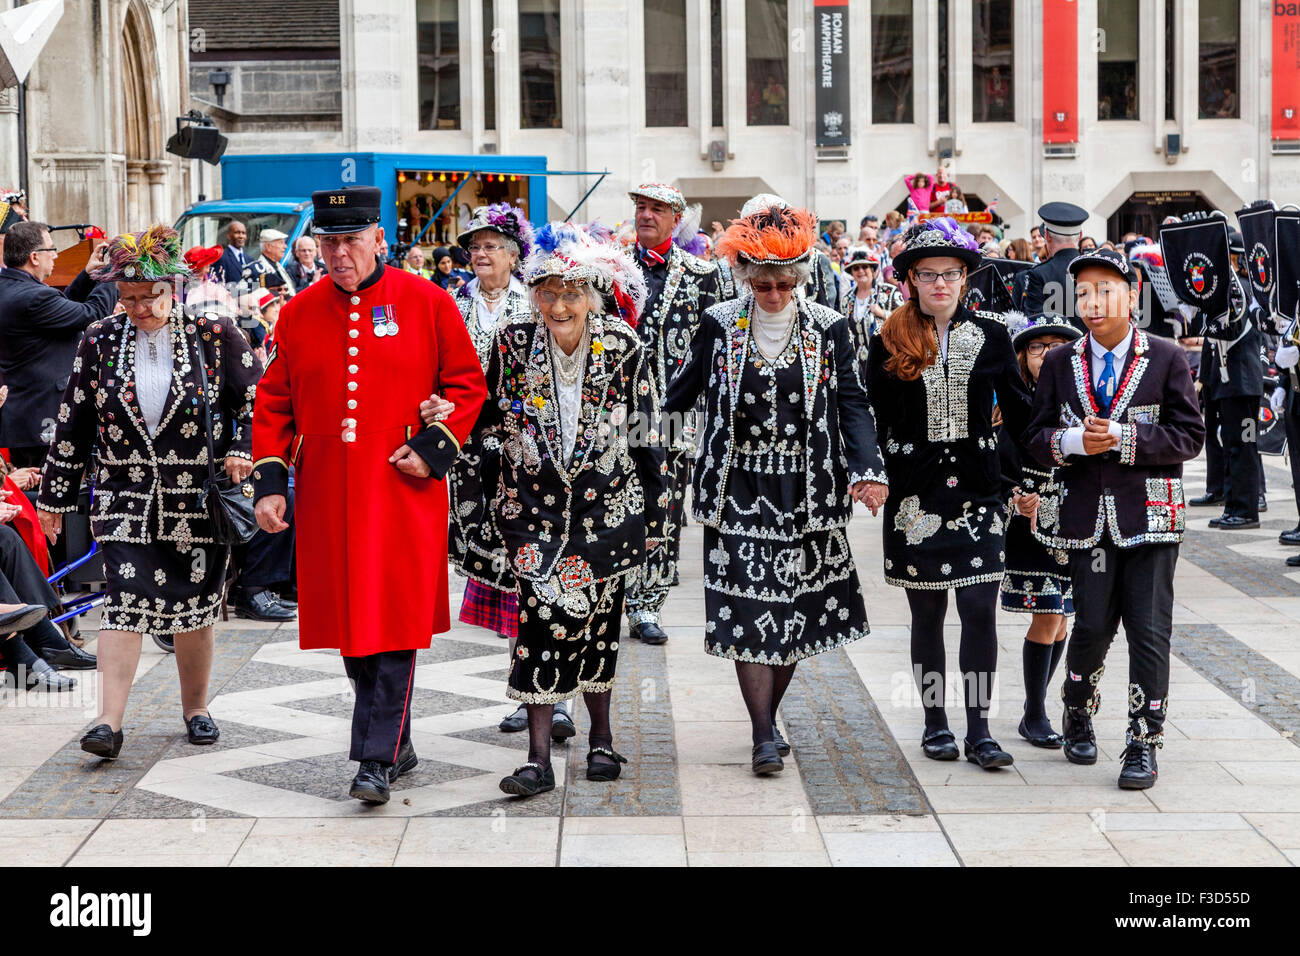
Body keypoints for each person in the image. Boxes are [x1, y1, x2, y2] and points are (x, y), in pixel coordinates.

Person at [251, 186, 487, 804]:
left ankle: (374, 758)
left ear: (378, 239)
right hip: (329, 487)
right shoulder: (300, 311)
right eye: (328, 241)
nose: (338, 253)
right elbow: (275, 402)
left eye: (350, 240)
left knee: (394, 615)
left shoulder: (427, 300)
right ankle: (397, 740)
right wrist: (271, 484)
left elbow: (466, 384)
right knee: (353, 622)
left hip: (400, 484)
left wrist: (434, 449)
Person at [664, 199, 886, 775]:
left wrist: (867, 470)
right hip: (737, 487)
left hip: (807, 488)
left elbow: (853, 404)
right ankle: (764, 733)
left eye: (785, 284)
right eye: (762, 284)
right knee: (747, 609)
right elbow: (680, 394)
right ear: (744, 277)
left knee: (794, 616)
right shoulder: (718, 322)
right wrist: (644, 441)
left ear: (800, 278)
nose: (774, 296)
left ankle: (768, 717)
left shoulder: (829, 327)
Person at [35, 225, 263, 759]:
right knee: (124, 603)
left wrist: (243, 448)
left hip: (196, 497)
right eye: (128, 297)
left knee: (194, 607)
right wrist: (54, 496)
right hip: (124, 495)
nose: (138, 307)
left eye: (149, 297)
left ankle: (196, 708)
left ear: (174, 288)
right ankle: (107, 724)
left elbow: (258, 398)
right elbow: (74, 421)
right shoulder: (100, 339)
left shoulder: (214, 333)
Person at [470, 222, 666, 797]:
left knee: (600, 627)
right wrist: (486, 501)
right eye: (549, 292)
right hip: (530, 512)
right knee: (538, 627)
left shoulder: (625, 347)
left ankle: (601, 740)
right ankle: (537, 759)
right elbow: (485, 422)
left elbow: (649, 435)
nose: (559, 304)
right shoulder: (509, 342)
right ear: (533, 294)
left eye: (572, 293)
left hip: (607, 514)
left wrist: (655, 520)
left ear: (593, 297)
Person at [1024, 248, 1205, 789]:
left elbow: (1190, 435)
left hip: (1151, 513)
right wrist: (1073, 440)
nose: (1093, 302)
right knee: (1094, 625)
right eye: (1082, 292)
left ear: (1132, 297)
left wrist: (1128, 439)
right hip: (1086, 519)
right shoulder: (1060, 362)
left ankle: (1143, 741)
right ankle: (1077, 708)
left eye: (1106, 290)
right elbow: (1034, 439)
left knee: (1149, 631)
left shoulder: (1167, 356)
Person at [866, 217, 1034, 770]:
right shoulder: (886, 339)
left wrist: (1050, 456)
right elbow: (871, 419)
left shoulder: (991, 335)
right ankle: (936, 723)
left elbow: (1020, 411)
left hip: (980, 495)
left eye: (951, 273)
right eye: (928, 274)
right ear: (910, 279)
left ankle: (981, 729)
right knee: (928, 614)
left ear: (966, 278)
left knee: (981, 609)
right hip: (915, 497)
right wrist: (869, 472)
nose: (941, 283)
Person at [439, 202, 554, 735]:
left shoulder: (535, 304)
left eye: (490, 247)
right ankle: (527, 690)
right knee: (511, 582)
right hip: (470, 461)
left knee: (541, 572)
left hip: (528, 456)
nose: (479, 255)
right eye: (474, 248)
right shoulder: (449, 304)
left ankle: (559, 697)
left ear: (513, 255)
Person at [623, 183, 727, 645]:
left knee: (663, 507)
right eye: (641, 208)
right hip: (615, 412)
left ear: (677, 217)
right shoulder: (610, 267)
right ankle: (612, 591)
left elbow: (719, 349)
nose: (647, 216)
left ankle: (648, 604)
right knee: (610, 504)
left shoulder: (704, 275)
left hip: (673, 414)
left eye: (657, 210)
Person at [999, 313, 1080, 747]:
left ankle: (1037, 706)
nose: (1046, 353)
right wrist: (1013, 494)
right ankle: (1034, 714)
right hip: (1028, 524)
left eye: (1056, 346)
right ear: (1022, 357)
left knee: (1063, 621)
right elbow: (991, 462)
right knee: (1048, 614)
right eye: (1036, 347)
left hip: (1075, 521)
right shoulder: (1007, 404)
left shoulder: (1083, 402)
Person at [0, 221, 116, 467]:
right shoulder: (33, 297)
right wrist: (112, 274)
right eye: (51, 249)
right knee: (51, 498)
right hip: (42, 422)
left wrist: (89, 275)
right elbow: (93, 314)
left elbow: (62, 309)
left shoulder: (12, 288)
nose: (55, 255)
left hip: (24, 419)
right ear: (34, 257)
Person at [1193, 228, 1264, 528]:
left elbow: (1231, 329)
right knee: (1231, 443)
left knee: (1243, 447)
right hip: (1229, 381)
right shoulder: (1227, 287)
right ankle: (1234, 504)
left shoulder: (1240, 287)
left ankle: (1246, 509)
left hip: (1241, 381)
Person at [1015, 202, 1088, 326]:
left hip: (1056, 345)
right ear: (1080, 235)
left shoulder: (1039, 273)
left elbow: (1034, 324)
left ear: (1047, 235)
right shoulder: (1095, 268)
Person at [842, 245, 902, 373]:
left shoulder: (889, 292)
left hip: (887, 362)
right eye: (856, 268)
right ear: (851, 273)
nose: (860, 271)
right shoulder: (847, 299)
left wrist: (884, 314)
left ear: (874, 271)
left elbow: (906, 321)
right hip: (857, 366)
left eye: (865, 267)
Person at [241, 228, 295, 305]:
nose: (285, 246)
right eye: (281, 243)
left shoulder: (279, 267)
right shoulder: (254, 269)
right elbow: (240, 294)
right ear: (268, 246)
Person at [213, 220, 250, 285]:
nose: (241, 236)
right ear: (229, 236)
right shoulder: (221, 258)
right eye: (237, 232)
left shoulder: (250, 259)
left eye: (243, 233)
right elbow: (218, 285)